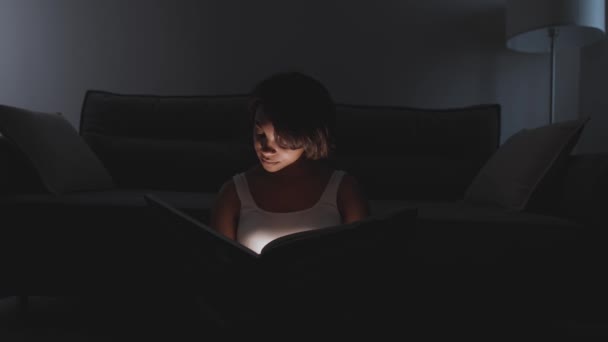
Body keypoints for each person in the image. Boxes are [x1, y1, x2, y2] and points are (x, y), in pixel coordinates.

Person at [210, 71, 369, 254]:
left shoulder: (344, 191)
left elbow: (360, 263)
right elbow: (220, 267)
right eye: (260, 134)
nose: (266, 149)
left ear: (309, 136)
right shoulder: (233, 194)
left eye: (281, 139)